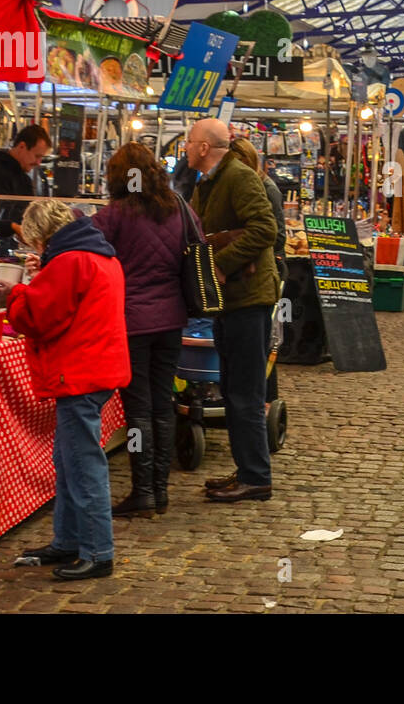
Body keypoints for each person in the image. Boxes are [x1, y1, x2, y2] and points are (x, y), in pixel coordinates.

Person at [11, 200, 129, 580]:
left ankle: (97, 550)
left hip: (79, 373)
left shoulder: (70, 261)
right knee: (69, 461)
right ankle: (70, 540)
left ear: (43, 235)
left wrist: (15, 290)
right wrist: (44, 272)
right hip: (95, 369)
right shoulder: (95, 254)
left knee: (80, 464)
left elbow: (36, 317)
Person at [91, 144, 201, 519]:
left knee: (138, 411)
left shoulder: (112, 216)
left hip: (131, 323)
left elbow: (83, 251)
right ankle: (159, 490)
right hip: (171, 319)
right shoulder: (179, 208)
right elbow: (198, 247)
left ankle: (143, 491)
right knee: (162, 406)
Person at [187, 119, 280, 504]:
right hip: (232, 300)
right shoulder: (209, 182)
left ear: (205, 147)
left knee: (244, 391)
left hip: (248, 297)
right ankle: (247, 470)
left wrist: (220, 264)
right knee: (234, 388)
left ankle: (256, 477)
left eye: (190, 142)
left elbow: (265, 229)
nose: (187, 148)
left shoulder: (238, 177)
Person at [229, 136, 287, 404]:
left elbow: (277, 235)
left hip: (264, 270)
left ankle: (265, 398)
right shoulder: (241, 185)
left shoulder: (267, 188)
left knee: (262, 340)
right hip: (244, 273)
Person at [0, 125, 51, 239]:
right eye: (37, 156)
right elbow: (2, 215)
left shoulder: (21, 175)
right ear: (22, 146)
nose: (38, 162)